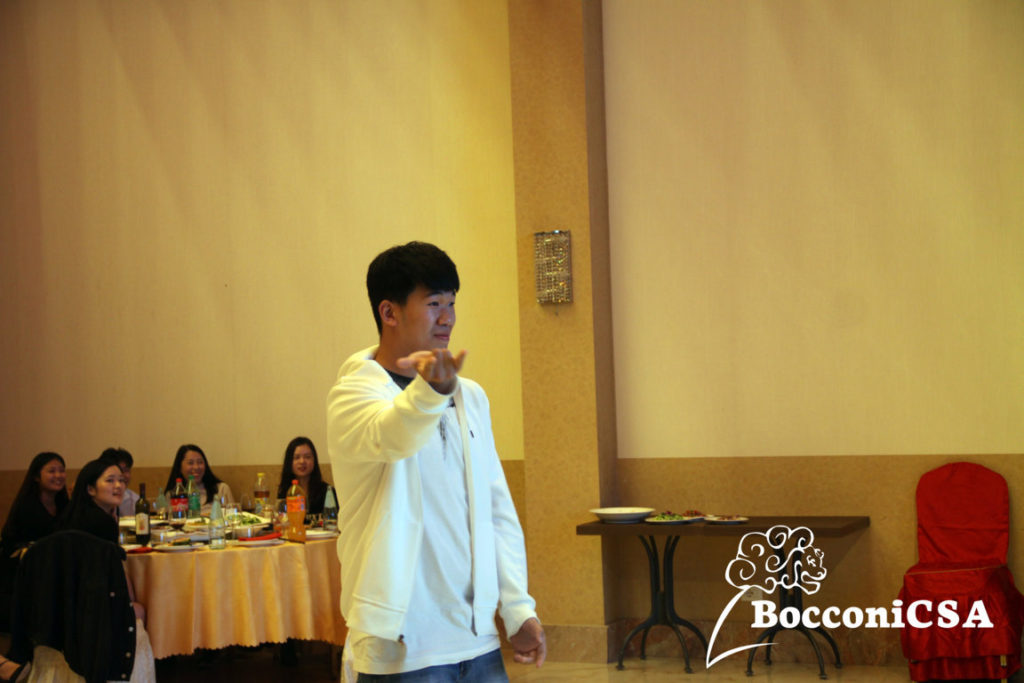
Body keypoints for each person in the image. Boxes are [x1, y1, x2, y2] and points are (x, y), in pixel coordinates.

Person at [326, 241, 545, 681]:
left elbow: (496, 509)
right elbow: (393, 436)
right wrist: (432, 393)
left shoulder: (470, 397)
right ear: (389, 312)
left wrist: (517, 607)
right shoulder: (353, 395)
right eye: (433, 304)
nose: (447, 318)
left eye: (451, 303)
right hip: (403, 645)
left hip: (476, 638)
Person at [54, 457, 155, 682]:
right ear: (90, 489)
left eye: (121, 480)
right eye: (110, 480)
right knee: (141, 608)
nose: (118, 486)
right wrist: (131, 602)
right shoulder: (100, 522)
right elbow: (112, 574)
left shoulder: (75, 514)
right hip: (92, 607)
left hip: (68, 602)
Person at [0, 452, 69, 682]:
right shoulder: (27, 507)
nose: (58, 475)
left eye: (61, 470)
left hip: (53, 571)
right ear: (36, 477)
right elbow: (12, 546)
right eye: (52, 471)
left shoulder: (64, 504)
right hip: (22, 576)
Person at [163, 444, 233, 516]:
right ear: (179, 467)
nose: (196, 467)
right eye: (190, 463)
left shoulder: (222, 489)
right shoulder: (173, 495)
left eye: (200, 462)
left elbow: (232, 517)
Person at [276, 436, 330, 516]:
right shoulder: (285, 491)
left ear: (314, 460)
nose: (302, 461)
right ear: (289, 462)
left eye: (307, 457)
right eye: (296, 457)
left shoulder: (327, 491)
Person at [106, 447, 141, 518]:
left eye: (127, 470)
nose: (125, 475)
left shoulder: (134, 500)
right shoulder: (99, 500)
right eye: (121, 470)